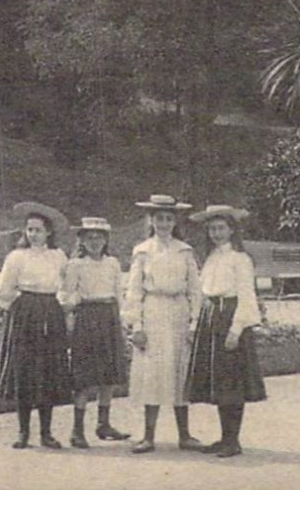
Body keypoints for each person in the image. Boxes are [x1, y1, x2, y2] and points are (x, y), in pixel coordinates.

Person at [122, 193, 204, 454]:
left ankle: (185, 434)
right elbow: (133, 291)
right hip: (153, 311)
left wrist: (194, 323)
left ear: (175, 222)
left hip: (178, 311)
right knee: (153, 373)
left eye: (169, 219)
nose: (164, 224)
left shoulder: (185, 251)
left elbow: (195, 290)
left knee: (180, 370)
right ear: (151, 220)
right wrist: (137, 327)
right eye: (159, 219)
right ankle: (148, 436)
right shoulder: (142, 251)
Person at [185, 206, 266, 458]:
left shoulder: (240, 259)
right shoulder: (210, 258)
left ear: (232, 230)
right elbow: (202, 293)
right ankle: (224, 438)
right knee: (219, 380)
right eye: (212, 229)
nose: (216, 233)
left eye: (221, 228)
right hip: (212, 317)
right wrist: (195, 324)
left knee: (232, 380)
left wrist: (236, 329)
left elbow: (246, 295)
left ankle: (233, 440)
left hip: (230, 317)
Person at [0, 201, 75, 449]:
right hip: (25, 314)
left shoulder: (58, 257)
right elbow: (4, 291)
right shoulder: (17, 257)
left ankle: (46, 433)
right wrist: (20, 309)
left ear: (49, 232)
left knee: (47, 372)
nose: (33, 234)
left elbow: (68, 286)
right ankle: (23, 431)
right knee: (25, 372)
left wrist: (62, 306)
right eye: (29, 230)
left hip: (50, 312)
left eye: (38, 230)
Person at [60, 217, 130, 448]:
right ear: (81, 240)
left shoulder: (112, 263)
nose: (94, 241)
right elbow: (67, 294)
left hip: (108, 316)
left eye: (99, 237)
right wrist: (73, 306)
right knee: (84, 375)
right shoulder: (76, 265)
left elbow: (119, 294)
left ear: (106, 239)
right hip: (87, 317)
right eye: (89, 237)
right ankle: (77, 430)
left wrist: (122, 320)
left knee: (108, 374)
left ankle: (104, 424)